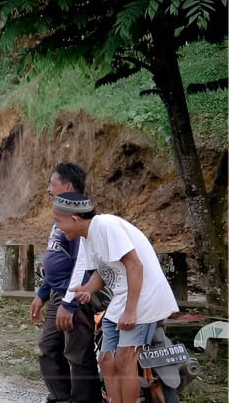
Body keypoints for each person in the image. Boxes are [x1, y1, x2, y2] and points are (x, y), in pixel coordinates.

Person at [55, 192, 179, 403]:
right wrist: (87, 289)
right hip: (122, 299)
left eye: (59, 221)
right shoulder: (87, 236)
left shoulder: (106, 226)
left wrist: (131, 311)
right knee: (106, 360)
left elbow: (135, 265)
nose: (58, 227)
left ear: (74, 219)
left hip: (143, 298)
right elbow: (103, 272)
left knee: (124, 359)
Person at [31, 163, 99, 403]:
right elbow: (57, 258)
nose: (48, 189)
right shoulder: (61, 215)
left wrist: (69, 304)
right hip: (57, 293)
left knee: (78, 354)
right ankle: (61, 398)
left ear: (68, 186)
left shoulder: (79, 218)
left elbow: (83, 265)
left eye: (52, 184)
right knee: (48, 349)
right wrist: (43, 293)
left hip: (75, 294)